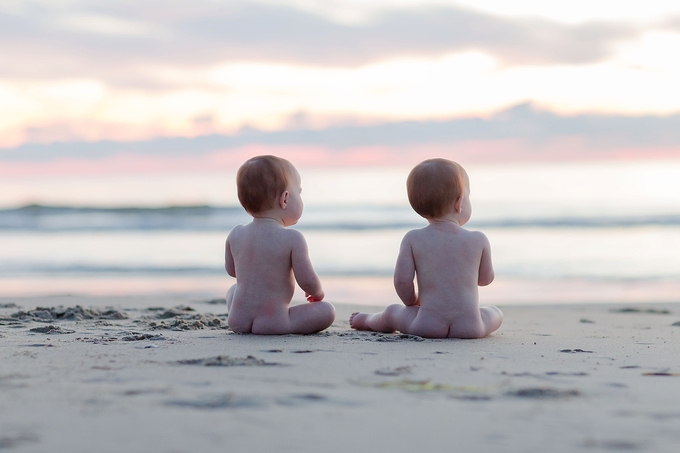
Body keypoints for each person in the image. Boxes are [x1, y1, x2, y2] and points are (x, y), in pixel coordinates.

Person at [349, 158, 503, 339]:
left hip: (426, 324)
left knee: (391, 312)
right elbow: (485, 280)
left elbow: (402, 281)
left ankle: (367, 321)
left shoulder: (413, 239)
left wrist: (412, 302)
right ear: (459, 203)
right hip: (470, 326)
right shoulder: (478, 239)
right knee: (494, 312)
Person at [225, 155, 335, 334]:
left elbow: (232, 271)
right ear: (284, 199)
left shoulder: (236, 233)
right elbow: (307, 281)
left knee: (233, 289)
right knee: (327, 311)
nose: (300, 198)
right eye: (298, 193)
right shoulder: (292, 238)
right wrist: (318, 292)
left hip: (238, 319)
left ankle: (243, 317)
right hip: (273, 321)